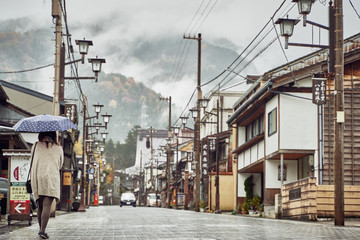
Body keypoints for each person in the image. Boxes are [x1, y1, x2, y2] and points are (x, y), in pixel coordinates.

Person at [30, 131, 63, 239]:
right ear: (54, 135)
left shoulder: (35, 146)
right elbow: (60, 164)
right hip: (51, 178)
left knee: (40, 206)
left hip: (37, 177)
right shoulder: (58, 148)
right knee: (47, 205)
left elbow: (31, 160)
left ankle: (41, 230)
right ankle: (42, 231)